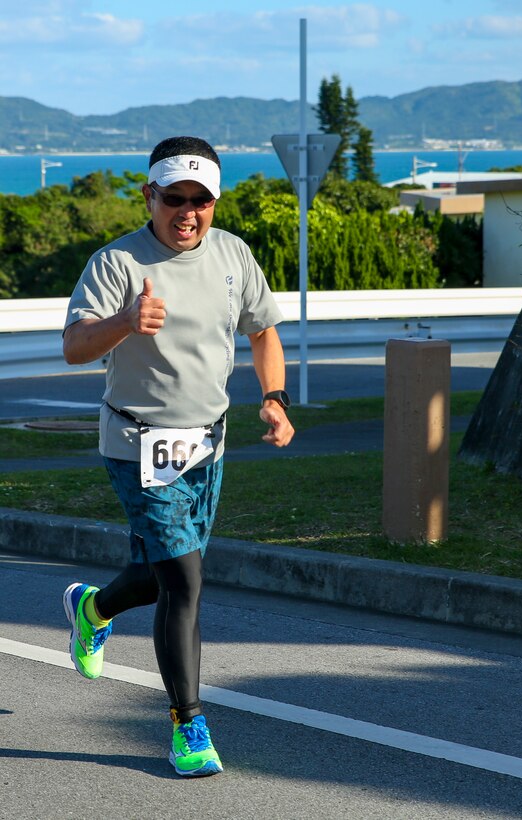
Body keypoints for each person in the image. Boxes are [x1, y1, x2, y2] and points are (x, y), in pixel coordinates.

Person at [61, 135, 295, 777]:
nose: (187, 212)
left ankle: (92, 609)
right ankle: (188, 724)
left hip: (206, 443)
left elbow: (263, 331)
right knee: (185, 581)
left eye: (202, 200)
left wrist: (273, 398)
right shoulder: (116, 263)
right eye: (175, 198)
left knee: (163, 574)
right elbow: (76, 345)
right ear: (149, 196)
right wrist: (125, 322)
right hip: (137, 442)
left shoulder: (232, 254)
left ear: (214, 203)